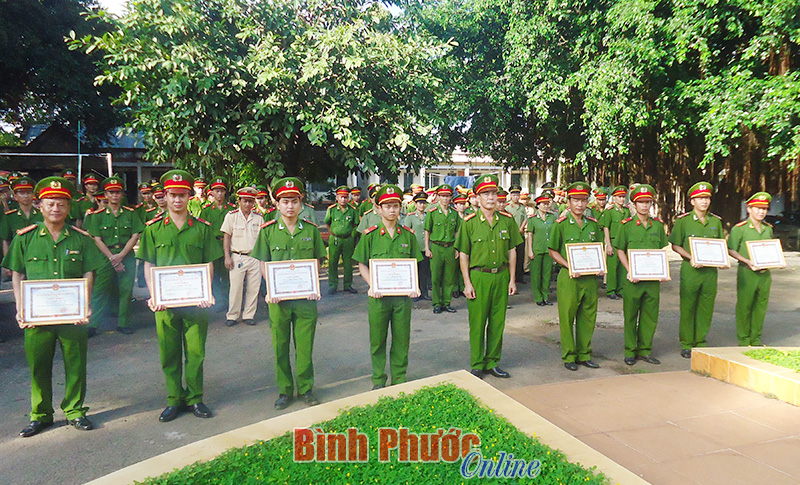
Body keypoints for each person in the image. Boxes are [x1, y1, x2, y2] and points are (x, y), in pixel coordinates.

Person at [2, 176, 104, 436]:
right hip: (38, 318)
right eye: (50, 203)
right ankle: (41, 414)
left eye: (61, 203)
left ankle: (75, 410)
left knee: (76, 363)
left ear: (69, 208)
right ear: (40, 206)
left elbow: (88, 273)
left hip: (72, 316)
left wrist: (86, 305)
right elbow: (17, 274)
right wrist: (20, 307)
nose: (55, 208)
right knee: (38, 366)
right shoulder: (25, 238)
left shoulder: (81, 239)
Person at [137, 169, 222, 422]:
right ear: (164, 196)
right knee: (169, 352)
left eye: (182, 195)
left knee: (195, 353)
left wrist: (207, 292)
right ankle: (174, 399)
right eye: (172, 195)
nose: (177, 200)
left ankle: (195, 398)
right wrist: (153, 295)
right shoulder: (153, 229)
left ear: (189, 197)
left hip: (196, 302)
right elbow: (148, 264)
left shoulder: (202, 228)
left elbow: (208, 263)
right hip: (165, 303)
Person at [251, 177, 326, 409]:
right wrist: (271, 287)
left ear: (301, 203)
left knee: (304, 347)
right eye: (285, 201)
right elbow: (264, 262)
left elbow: (318, 260)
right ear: (277, 204)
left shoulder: (311, 231)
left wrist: (314, 285)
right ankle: (284, 391)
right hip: (279, 300)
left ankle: (306, 388)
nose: (290, 206)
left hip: (305, 299)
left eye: (294, 201)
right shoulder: (268, 231)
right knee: (280, 345)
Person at [354, 184, 422, 389]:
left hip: (402, 298)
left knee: (401, 339)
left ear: (401, 208)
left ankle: (399, 378)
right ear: (378, 208)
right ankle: (378, 378)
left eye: (396, 205)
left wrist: (414, 286)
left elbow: (414, 265)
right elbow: (361, 264)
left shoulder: (408, 235)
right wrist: (371, 284)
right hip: (378, 298)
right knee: (378, 340)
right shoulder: (370, 234)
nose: (392, 210)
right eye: (387, 205)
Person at [456, 174, 522, 379]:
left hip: (500, 276)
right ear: (477, 197)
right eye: (486, 194)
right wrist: (467, 283)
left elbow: (512, 250)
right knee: (477, 322)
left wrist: (512, 279)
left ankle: (492, 361)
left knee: (497, 321)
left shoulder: (507, 221)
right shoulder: (469, 223)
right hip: (479, 277)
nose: (491, 198)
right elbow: (464, 255)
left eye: (493, 193)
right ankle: (477, 363)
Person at [549, 181, 604, 371]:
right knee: (567, 316)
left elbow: (598, 249)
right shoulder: (561, 225)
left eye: (583, 200)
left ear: (588, 201)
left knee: (588, 316)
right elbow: (552, 251)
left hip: (589, 278)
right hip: (569, 277)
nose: (579, 205)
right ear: (568, 202)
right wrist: (568, 264)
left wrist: (600, 265)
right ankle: (569, 355)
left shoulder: (592, 225)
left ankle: (584, 354)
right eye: (575, 200)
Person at [669, 181, 724, 358]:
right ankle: (686, 343)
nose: (704, 201)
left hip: (710, 272)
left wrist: (721, 259)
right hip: (690, 270)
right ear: (692, 201)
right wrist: (691, 257)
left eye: (707, 198)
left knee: (706, 306)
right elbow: (675, 245)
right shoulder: (683, 221)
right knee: (688, 306)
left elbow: (720, 245)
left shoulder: (716, 221)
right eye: (700, 198)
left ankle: (701, 341)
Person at [84, 175, 144, 335]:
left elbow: (135, 235)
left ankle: (123, 323)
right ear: (106, 195)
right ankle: (93, 324)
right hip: (105, 256)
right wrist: (113, 258)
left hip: (126, 255)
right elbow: (96, 239)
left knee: (126, 290)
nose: (114, 196)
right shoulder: (97, 216)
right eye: (111, 193)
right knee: (100, 290)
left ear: (122, 194)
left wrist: (121, 256)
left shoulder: (130, 214)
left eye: (117, 192)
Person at [615, 184, 668, 365]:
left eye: (647, 202)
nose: (645, 206)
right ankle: (630, 350)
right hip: (633, 280)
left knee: (650, 316)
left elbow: (661, 251)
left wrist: (663, 270)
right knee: (630, 315)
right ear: (634, 204)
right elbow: (620, 250)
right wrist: (629, 269)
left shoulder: (658, 226)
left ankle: (645, 350)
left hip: (652, 280)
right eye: (641, 202)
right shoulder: (626, 226)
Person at [728, 192, 781, 346]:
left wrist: (777, 260)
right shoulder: (740, 229)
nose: (761, 211)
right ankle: (744, 339)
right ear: (748, 209)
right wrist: (746, 261)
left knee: (761, 306)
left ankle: (755, 338)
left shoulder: (768, 228)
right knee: (745, 306)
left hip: (765, 273)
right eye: (757, 208)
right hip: (747, 271)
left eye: (764, 208)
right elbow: (731, 250)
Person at [220, 186, 264, 327]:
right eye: (245, 201)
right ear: (239, 201)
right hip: (237, 256)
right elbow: (226, 237)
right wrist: (227, 256)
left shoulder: (258, 218)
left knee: (253, 288)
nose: (247, 204)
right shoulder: (231, 216)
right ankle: (232, 315)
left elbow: (262, 240)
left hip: (255, 257)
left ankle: (249, 315)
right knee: (236, 287)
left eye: (251, 201)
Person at [200, 177, 236, 311]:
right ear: (212, 193)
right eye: (216, 191)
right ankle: (218, 301)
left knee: (229, 276)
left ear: (225, 192)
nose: (219, 194)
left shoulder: (232, 210)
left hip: (229, 246)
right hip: (212, 246)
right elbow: (203, 231)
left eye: (221, 191)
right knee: (214, 276)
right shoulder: (206, 210)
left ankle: (228, 302)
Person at [424, 184, 460, 313]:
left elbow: (457, 232)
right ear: (438, 197)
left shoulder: (454, 213)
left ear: (451, 197)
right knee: (436, 277)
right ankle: (437, 303)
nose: (445, 199)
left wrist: (457, 249)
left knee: (449, 277)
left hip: (450, 247)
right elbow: (427, 231)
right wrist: (427, 248)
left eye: (447, 196)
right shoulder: (432, 212)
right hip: (436, 247)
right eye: (442, 196)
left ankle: (447, 302)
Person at [325, 186, 358, 295]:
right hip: (335, 239)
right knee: (333, 262)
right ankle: (333, 285)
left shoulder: (352, 210)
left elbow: (355, 224)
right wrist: (333, 233)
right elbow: (327, 222)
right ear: (337, 197)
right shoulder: (332, 209)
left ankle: (348, 285)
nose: (343, 199)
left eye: (345, 197)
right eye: (341, 197)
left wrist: (350, 235)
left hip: (348, 239)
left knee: (348, 263)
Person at [526, 192, 556, 306]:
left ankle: (545, 296)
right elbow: (530, 235)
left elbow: (554, 233)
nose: (546, 206)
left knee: (547, 274)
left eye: (547, 203)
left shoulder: (551, 217)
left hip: (548, 249)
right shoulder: (533, 219)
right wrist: (530, 250)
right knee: (536, 274)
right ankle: (538, 297)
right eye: (543, 204)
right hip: (537, 249)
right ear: (537, 205)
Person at [1, 176, 43, 257]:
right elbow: (6, 241)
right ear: (15, 196)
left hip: (38, 257)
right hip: (17, 257)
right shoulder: (10, 217)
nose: (26, 196)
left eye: (29, 192)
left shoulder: (42, 215)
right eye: (22, 193)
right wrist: (7, 264)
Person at [599, 185, 629, 299]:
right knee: (612, 267)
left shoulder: (626, 211)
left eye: (623, 197)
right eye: (619, 197)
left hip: (624, 243)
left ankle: (620, 289)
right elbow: (606, 227)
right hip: (613, 241)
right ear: (614, 198)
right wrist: (608, 245)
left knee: (622, 267)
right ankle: (611, 290)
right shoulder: (610, 211)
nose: (621, 199)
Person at [403, 192, 431, 302]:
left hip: (426, 248)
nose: (422, 205)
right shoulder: (410, 217)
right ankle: (415, 293)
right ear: (415, 204)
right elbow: (406, 232)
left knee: (425, 272)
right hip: (415, 248)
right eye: (420, 203)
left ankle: (424, 292)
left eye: (424, 203)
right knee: (414, 272)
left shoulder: (428, 216)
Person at [507, 184, 528, 284]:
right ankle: (512, 278)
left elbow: (525, 218)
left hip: (521, 235)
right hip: (511, 236)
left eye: (517, 195)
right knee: (511, 257)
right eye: (514, 195)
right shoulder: (507, 207)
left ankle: (520, 276)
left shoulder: (522, 207)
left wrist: (522, 227)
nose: (516, 197)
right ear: (510, 196)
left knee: (520, 256)